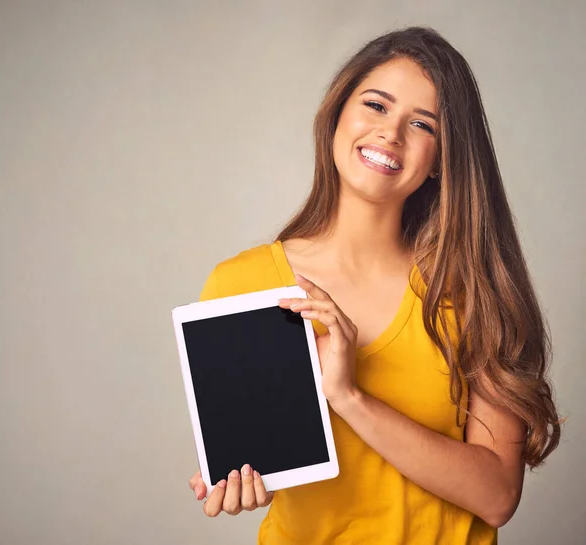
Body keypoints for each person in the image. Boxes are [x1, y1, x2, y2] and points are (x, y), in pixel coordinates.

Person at [188, 26, 562, 544]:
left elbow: (498, 495)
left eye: (423, 124)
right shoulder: (241, 284)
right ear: (337, 115)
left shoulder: (472, 292)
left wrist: (349, 397)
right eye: (377, 106)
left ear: (441, 160)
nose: (391, 134)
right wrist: (241, 479)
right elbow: (246, 458)